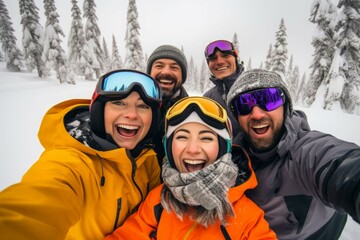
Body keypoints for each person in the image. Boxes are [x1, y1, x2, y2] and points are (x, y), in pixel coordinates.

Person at [0, 69, 163, 239]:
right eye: (119, 103)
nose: (132, 114)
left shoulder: (147, 158)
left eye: (142, 106)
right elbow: (33, 208)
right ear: (99, 111)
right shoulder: (72, 161)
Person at [104, 96, 277, 240]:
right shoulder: (158, 201)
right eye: (182, 137)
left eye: (206, 138)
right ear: (169, 148)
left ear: (223, 148)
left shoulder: (246, 218)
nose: (193, 149)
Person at [226, 68, 360, 240]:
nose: (257, 114)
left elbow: (338, 164)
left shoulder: (304, 151)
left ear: (285, 107)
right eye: (243, 105)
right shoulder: (234, 155)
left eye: (269, 99)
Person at [146, 44, 189, 166]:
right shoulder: (133, 106)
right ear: (149, 72)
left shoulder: (192, 111)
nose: (165, 72)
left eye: (174, 68)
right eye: (159, 66)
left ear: (183, 76)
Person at [203, 39, 245, 144]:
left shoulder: (255, 88)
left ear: (236, 59)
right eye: (213, 58)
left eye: (225, 55)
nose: (220, 61)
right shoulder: (207, 99)